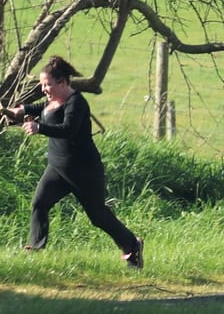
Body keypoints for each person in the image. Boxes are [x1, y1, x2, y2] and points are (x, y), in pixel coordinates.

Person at [8, 56, 144, 269]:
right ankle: (35, 249)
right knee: (39, 204)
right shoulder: (54, 100)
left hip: (83, 170)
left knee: (98, 216)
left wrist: (39, 128)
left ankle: (132, 246)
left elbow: (68, 129)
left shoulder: (77, 103)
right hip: (57, 168)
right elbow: (44, 108)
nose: (44, 89)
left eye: (48, 84)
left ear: (63, 82)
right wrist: (23, 110)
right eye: (42, 84)